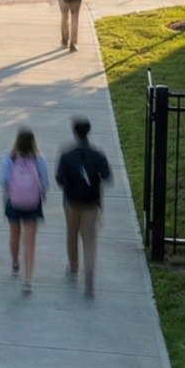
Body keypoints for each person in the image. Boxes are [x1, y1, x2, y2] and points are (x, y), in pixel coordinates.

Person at [55, 117, 113, 297]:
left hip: (71, 201)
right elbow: (106, 176)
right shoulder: (97, 154)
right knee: (89, 237)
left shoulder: (66, 155)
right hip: (91, 201)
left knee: (72, 232)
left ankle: (73, 268)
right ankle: (89, 277)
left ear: (75, 132)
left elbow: (59, 178)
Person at [0, 128, 49, 294]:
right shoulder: (39, 159)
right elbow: (45, 182)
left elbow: (2, 179)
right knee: (30, 241)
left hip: (13, 201)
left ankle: (15, 263)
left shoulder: (9, 157)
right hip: (33, 203)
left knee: (14, 233)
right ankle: (28, 280)